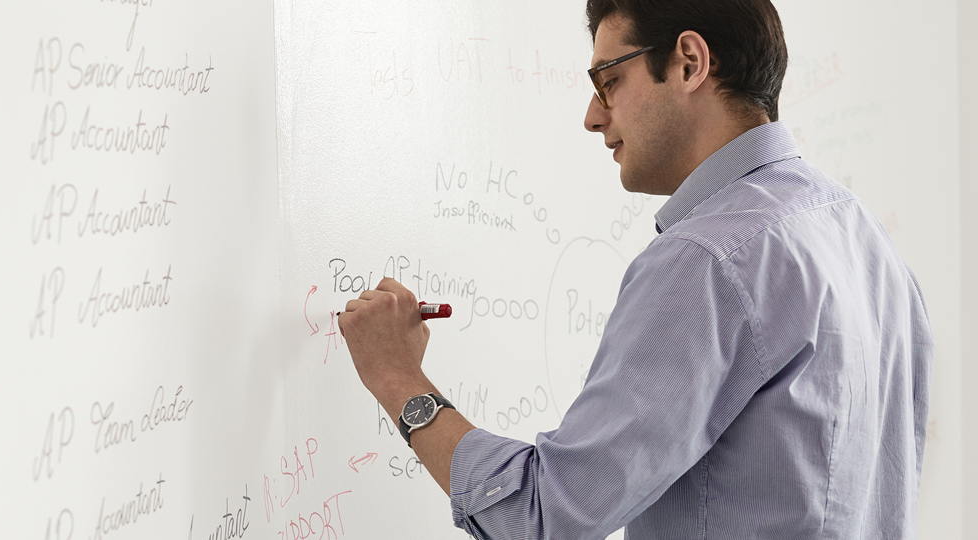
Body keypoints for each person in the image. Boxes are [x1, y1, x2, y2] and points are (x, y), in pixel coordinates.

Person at [336, 0, 934, 538]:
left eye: (609, 80)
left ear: (690, 63)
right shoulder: (864, 239)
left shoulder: (706, 263)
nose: (593, 117)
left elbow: (544, 515)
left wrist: (397, 377)